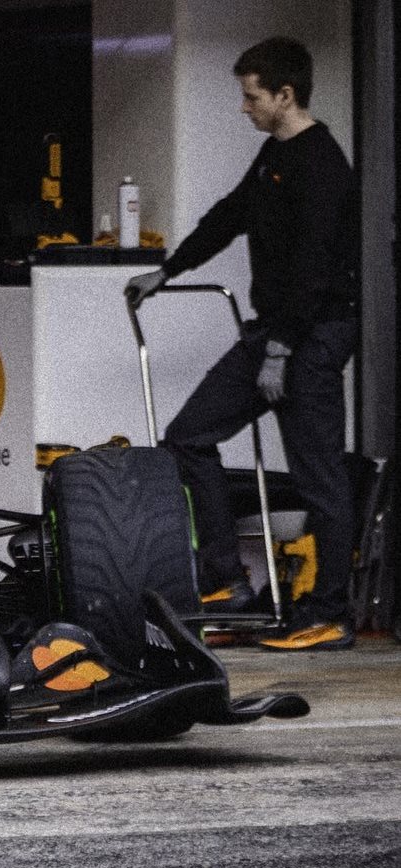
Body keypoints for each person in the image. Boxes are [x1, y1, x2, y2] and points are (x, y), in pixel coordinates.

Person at [124, 37, 359, 652]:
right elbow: (230, 216)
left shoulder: (323, 165)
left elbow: (314, 266)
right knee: (188, 436)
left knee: (321, 481)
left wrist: (280, 351)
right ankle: (230, 582)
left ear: (285, 95)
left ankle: (331, 614)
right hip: (274, 332)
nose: (244, 106)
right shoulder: (273, 156)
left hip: (312, 337)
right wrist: (167, 271)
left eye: (252, 96)